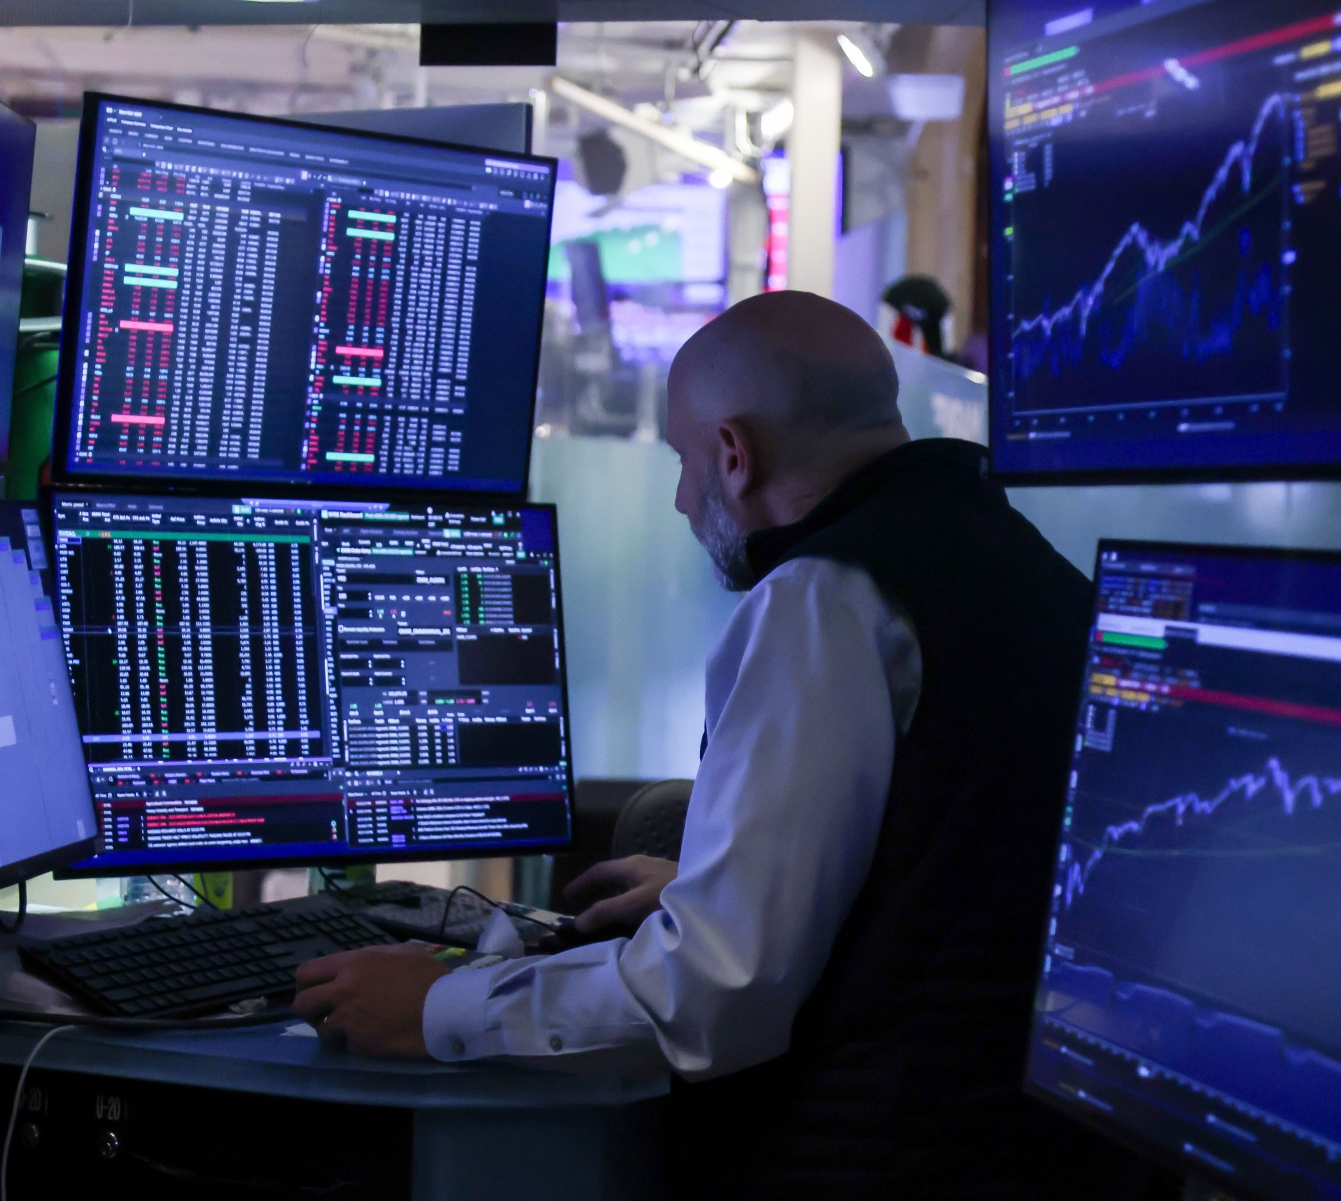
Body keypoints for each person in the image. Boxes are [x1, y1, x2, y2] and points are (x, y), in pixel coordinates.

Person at [293, 291, 1156, 1198]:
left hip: (887, 1157)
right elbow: (962, 868)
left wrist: (434, 1007)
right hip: (1047, 1147)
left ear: (735, 455)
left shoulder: (822, 599)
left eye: (681, 457)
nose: (676, 496)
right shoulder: (1021, 565)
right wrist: (716, 885)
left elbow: (710, 1000)